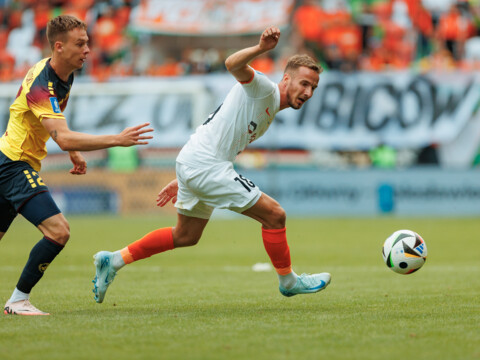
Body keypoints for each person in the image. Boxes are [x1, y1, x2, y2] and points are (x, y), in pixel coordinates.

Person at [92, 26, 331, 304]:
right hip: (206, 165)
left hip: (195, 162)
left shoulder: (267, 108)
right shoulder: (263, 89)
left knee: (186, 235)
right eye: (304, 83)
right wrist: (261, 48)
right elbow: (232, 63)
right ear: (287, 78)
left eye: (313, 87)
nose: (308, 92)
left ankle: (114, 260)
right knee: (275, 216)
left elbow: (222, 135)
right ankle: (288, 281)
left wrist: (183, 177)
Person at [0, 15, 153, 316]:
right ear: (59, 47)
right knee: (58, 231)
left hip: (11, 161)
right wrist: (115, 140)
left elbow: (57, 127)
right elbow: (65, 137)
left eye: (87, 42)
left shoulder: (65, 75)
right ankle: (18, 300)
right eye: (80, 44)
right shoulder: (42, 83)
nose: (87, 50)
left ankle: (18, 300)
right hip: (14, 165)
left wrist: (71, 152)